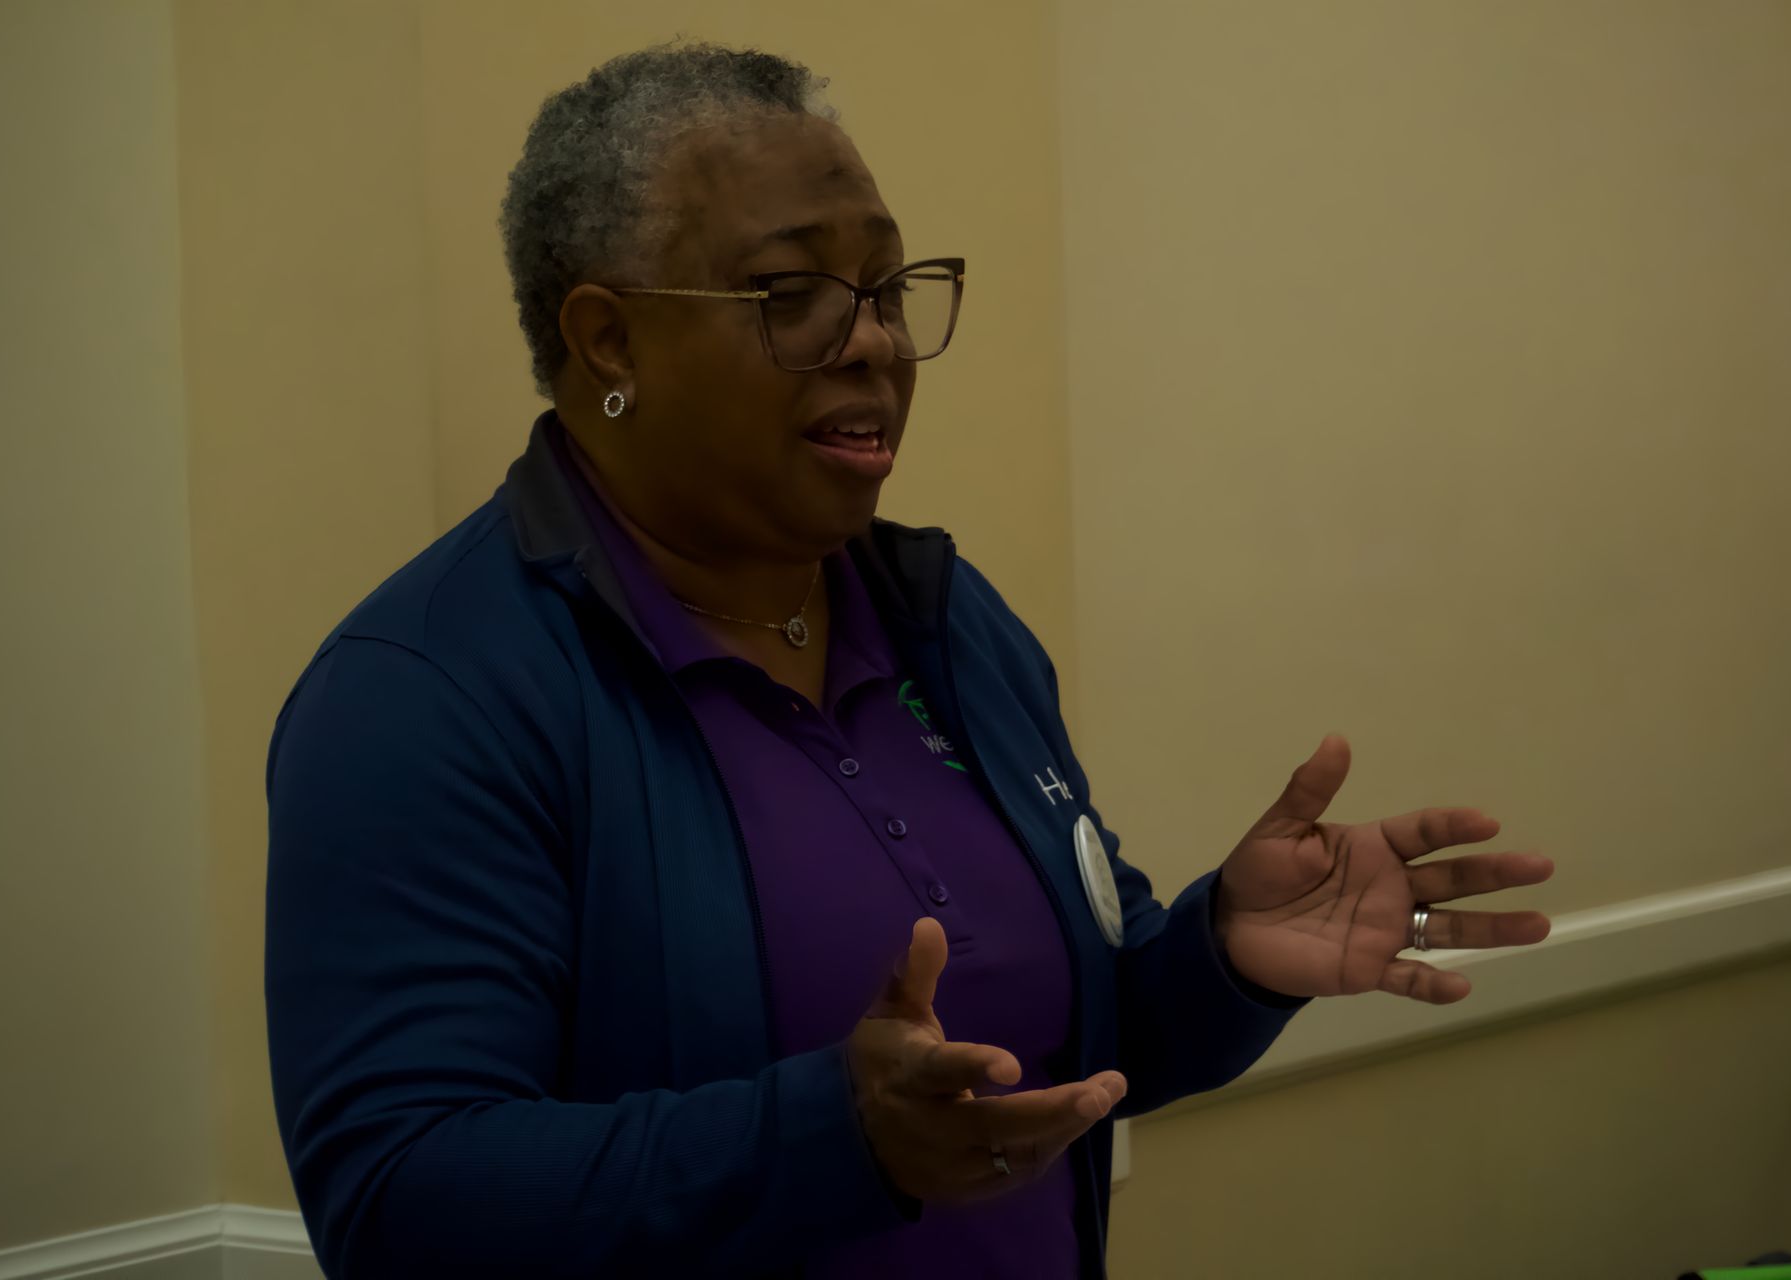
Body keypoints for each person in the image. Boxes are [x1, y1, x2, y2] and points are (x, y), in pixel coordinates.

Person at [263, 40, 1555, 1280]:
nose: (874, 338)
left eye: (887, 289)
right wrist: (833, 1139)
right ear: (609, 342)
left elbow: (1049, 1053)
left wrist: (1219, 957)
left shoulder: (945, 617)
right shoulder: (427, 697)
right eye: (794, 295)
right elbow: (399, 1198)